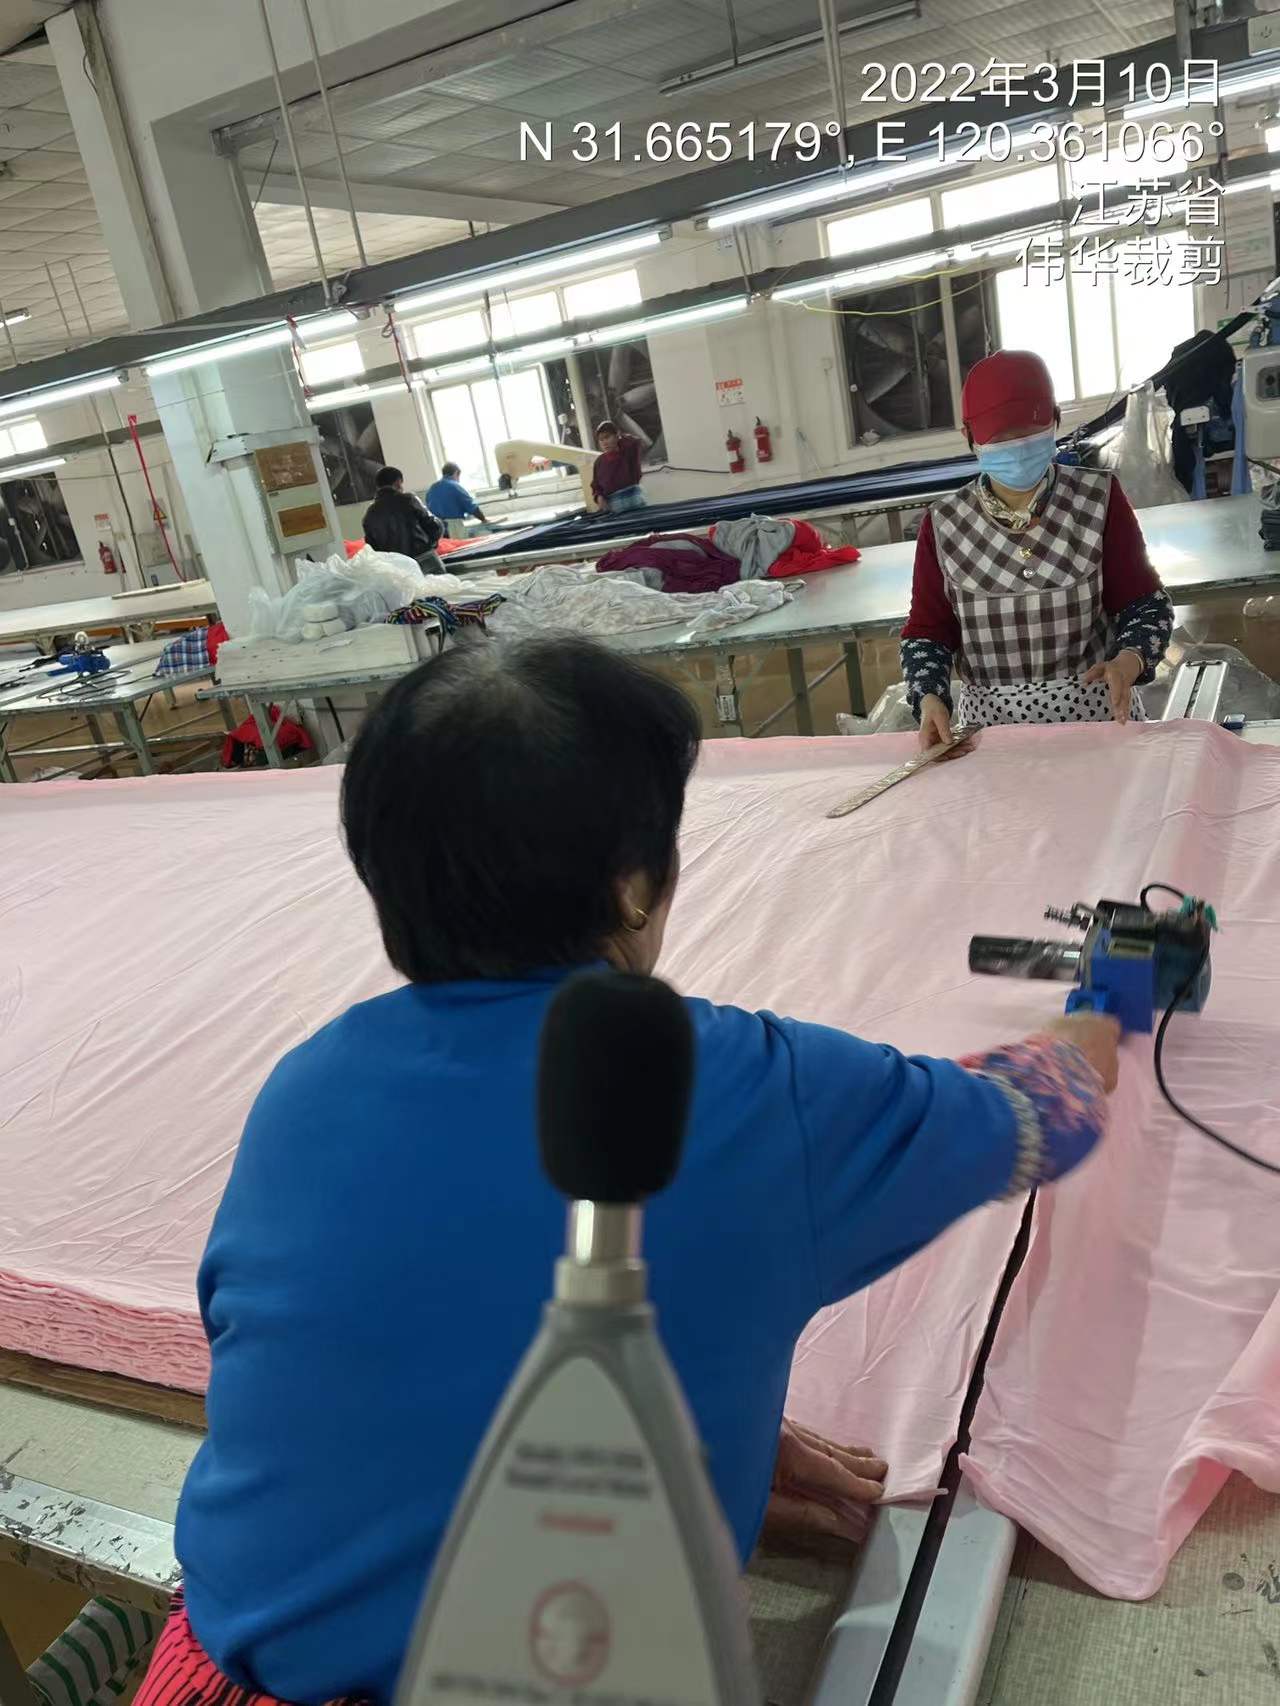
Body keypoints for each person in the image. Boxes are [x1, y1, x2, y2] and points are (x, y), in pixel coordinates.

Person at [146, 639, 1118, 1706]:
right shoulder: (747, 1089)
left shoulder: (303, 1090)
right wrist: (1113, 995)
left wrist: (693, 1423)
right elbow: (1048, 1111)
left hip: (211, 1676)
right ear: (634, 885)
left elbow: (376, 1357)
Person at [901, 349, 1175, 747]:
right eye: (1001, 439)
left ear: (1056, 421)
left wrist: (1129, 658)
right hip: (992, 736)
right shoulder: (943, 524)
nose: (1017, 448)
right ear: (969, 437)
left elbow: (1145, 605)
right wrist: (929, 697)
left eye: (1030, 434)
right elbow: (928, 633)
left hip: (1097, 720)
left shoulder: (1098, 500)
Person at [362, 465, 445, 571]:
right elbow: (434, 526)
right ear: (398, 482)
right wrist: (431, 545)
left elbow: (373, 548)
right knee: (442, 582)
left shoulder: (369, 514)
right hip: (423, 559)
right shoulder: (408, 500)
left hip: (398, 568)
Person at [590, 418, 647, 513]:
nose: (604, 442)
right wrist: (599, 497)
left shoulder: (628, 452)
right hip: (614, 508)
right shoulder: (599, 462)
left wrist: (618, 434)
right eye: (601, 440)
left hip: (635, 501)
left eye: (607, 437)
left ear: (617, 436)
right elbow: (596, 485)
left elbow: (635, 441)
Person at [425, 461, 487, 539]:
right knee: (460, 546)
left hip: (436, 528)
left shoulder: (432, 488)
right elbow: (471, 506)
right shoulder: (455, 486)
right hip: (453, 527)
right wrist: (484, 519)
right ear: (456, 473)